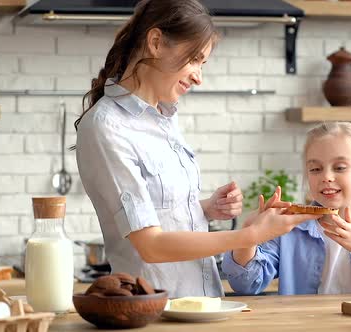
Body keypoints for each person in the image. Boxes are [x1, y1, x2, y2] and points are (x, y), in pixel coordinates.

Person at [74, 0, 315, 298]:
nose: (199, 77)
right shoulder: (107, 126)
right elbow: (150, 245)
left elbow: (154, 212)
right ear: (156, 42)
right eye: (194, 59)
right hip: (158, 312)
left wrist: (202, 209)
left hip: (202, 305)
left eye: (203, 64)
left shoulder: (164, 118)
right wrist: (251, 235)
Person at [222, 122, 351, 295]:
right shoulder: (288, 228)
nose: (326, 177)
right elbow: (245, 285)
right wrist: (250, 233)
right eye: (315, 169)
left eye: (340, 167)